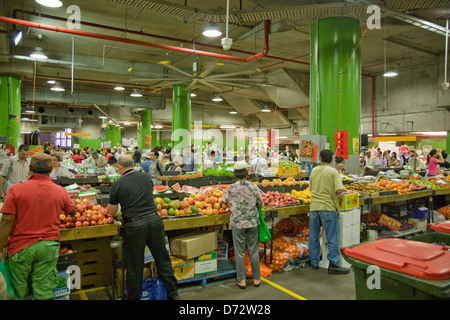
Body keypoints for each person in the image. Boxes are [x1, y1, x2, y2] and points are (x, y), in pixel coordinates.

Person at [0, 153, 76, 300]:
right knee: (44, 291)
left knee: (17, 291)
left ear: (30, 168)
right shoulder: (60, 191)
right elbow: (72, 211)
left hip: (20, 248)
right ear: (51, 169)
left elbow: (6, 221)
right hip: (48, 247)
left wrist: (0, 247)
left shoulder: (15, 190)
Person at [106, 155, 179, 300]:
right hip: (154, 221)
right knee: (162, 260)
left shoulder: (117, 184)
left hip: (134, 226)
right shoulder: (146, 178)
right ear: (133, 165)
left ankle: (134, 297)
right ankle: (173, 294)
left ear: (119, 167)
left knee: (134, 265)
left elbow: (112, 211)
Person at [223, 162, 263, 289]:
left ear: (235, 175)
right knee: (253, 250)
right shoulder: (254, 187)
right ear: (247, 173)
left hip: (238, 223)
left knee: (239, 252)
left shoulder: (230, 189)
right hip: (252, 223)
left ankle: (242, 280)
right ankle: (256, 278)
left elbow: (224, 201)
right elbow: (260, 202)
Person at [308, 149, 349, 274]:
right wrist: (344, 190)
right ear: (331, 160)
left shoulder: (314, 170)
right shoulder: (333, 171)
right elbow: (338, 190)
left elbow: (310, 188)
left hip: (314, 207)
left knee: (314, 236)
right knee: (332, 237)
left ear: (320, 158)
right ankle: (334, 265)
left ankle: (314, 262)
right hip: (328, 207)